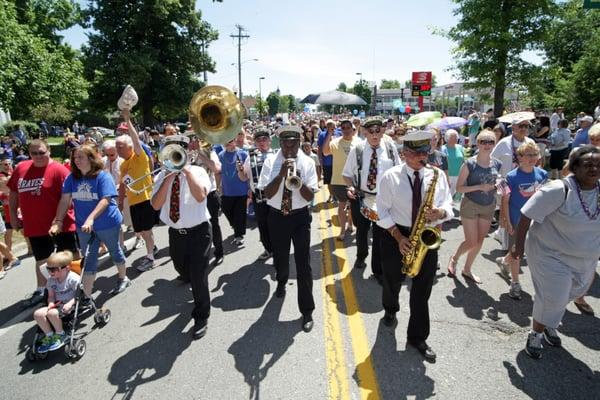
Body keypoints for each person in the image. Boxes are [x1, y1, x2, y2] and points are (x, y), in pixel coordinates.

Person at [512, 146, 600, 359]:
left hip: (586, 258)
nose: (594, 169)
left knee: (570, 293)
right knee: (555, 295)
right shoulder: (558, 190)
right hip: (549, 253)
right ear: (574, 167)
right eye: (588, 164)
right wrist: (518, 246)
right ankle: (536, 333)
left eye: (598, 165)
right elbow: (526, 216)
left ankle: (549, 320)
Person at [376, 130, 453, 361]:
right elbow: (381, 211)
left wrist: (440, 212)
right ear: (405, 154)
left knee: (422, 288)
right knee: (391, 280)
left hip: (426, 234)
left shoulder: (436, 175)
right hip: (395, 234)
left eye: (426, 152)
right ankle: (390, 309)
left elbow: (449, 203)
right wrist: (399, 238)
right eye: (418, 153)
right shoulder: (390, 177)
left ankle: (418, 336)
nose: (424, 157)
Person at [257, 126, 319, 333]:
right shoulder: (270, 161)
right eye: (285, 143)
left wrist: (298, 181)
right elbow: (266, 192)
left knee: (304, 264)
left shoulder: (308, 162)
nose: (289, 147)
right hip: (276, 217)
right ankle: (281, 281)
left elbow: (310, 197)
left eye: (293, 143)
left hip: (300, 217)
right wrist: (281, 175)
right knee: (281, 258)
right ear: (280, 143)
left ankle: (307, 310)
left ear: (299, 142)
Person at [151, 135, 213, 340]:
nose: (174, 155)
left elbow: (201, 196)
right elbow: (156, 205)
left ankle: (201, 316)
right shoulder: (162, 175)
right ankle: (187, 276)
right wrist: (169, 176)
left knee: (199, 276)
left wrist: (185, 170)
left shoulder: (198, 171)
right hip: (176, 233)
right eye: (170, 151)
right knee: (181, 267)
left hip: (199, 232)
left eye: (178, 151)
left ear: (187, 151)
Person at [8, 139, 78, 307]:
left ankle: (76, 286)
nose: (38, 156)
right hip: (34, 224)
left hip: (61, 223)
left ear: (49, 152)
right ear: (29, 153)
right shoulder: (21, 169)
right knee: (41, 259)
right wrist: (12, 216)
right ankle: (42, 290)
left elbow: (68, 198)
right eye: (34, 153)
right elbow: (13, 194)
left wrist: (58, 220)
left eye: (42, 152)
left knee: (68, 256)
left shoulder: (59, 170)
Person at [51, 145, 129, 296]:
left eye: (81, 157)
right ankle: (87, 295)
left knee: (114, 250)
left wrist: (91, 219)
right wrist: (58, 221)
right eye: (75, 158)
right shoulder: (71, 178)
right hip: (84, 226)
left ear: (91, 158)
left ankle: (122, 277)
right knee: (89, 258)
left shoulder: (103, 176)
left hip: (107, 222)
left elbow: (105, 200)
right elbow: (64, 200)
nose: (77, 160)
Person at [342, 117, 400, 284]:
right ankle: (361, 256)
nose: (375, 135)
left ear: (382, 131)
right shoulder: (357, 149)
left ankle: (378, 270)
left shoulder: (390, 148)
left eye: (378, 130)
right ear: (364, 132)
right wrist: (351, 187)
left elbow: (398, 171)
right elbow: (346, 175)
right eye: (371, 131)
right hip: (361, 197)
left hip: (384, 199)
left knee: (380, 234)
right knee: (361, 231)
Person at [447, 130, 501, 283]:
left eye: (490, 141)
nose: (487, 145)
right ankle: (455, 258)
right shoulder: (469, 163)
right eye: (483, 141)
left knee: (480, 240)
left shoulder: (497, 163)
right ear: (478, 143)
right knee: (471, 241)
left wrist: (501, 187)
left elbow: (499, 183)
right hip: (470, 204)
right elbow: (459, 188)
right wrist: (479, 186)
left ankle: (467, 269)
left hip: (488, 205)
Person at [496, 142, 547, 299]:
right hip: (517, 218)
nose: (532, 158)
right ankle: (515, 283)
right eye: (528, 155)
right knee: (517, 251)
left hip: (536, 219)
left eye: (535, 155)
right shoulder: (511, 176)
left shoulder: (543, 174)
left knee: (528, 250)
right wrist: (506, 220)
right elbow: (505, 200)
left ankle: (504, 261)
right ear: (520, 157)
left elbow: (546, 197)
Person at [117, 110, 157, 272]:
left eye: (120, 147)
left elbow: (135, 139)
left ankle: (150, 258)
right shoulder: (123, 164)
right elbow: (124, 185)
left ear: (130, 147)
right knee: (140, 231)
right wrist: (120, 201)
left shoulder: (139, 156)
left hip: (145, 199)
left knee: (147, 231)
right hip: (133, 202)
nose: (117, 150)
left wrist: (127, 119)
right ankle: (151, 248)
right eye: (116, 147)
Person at [32, 250, 79, 353]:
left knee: (52, 313)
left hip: (71, 305)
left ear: (66, 268)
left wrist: (70, 303)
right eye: (48, 269)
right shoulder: (51, 280)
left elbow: (78, 295)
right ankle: (50, 335)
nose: (50, 272)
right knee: (38, 314)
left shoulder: (73, 279)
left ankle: (60, 334)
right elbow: (51, 296)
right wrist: (51, 303)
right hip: (57, 304)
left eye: (54, 269)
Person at [322, 119, 361, 240]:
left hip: (354, 181)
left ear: (352, 128)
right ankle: (342, 230)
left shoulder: (359, 142)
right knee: (342, 205)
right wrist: (329, 133)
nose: (346, 130)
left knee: (352, 206)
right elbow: (325, 151)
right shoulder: (335, 142)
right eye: (343, 128)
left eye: (348, 127)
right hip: (338, 180)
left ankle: (350, 224)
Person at [240, 128, 275, 260]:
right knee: (263, 224)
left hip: (274, 196)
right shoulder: (251, 158)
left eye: (264, 139)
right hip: (258, 197)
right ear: (254, 142)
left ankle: (279, 249)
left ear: (270, 141)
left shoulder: (276, 155)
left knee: (276, 224)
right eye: (258, 140)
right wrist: (240, 170)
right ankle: (268, 249)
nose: (261, 142)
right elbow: (244, 178)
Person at [191, 137, 224, 265]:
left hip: (209, 194)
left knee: (213, 225)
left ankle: (219, 252)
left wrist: (199, 153)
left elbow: (216, 169)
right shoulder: (184, 153)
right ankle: (199, 256)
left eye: (195, 138)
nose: (193, 141)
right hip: (193, 196)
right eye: (191, 139)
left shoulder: (210, 151)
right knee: (196, 227)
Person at [218, 137, 249, 246]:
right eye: (226, 140)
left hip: (241, 190)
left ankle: (239, 235)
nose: (227, 143)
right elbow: (219, 172)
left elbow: (247, 173)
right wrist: (219, 187)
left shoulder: (243, 154)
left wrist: (249, 189)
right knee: (226, 209)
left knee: (239, 214)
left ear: (235, 141)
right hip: (227, 190)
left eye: (230, 140)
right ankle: (235, 225)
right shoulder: (221, 155)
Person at [317, 120, 338, 202]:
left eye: (333, 126)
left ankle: (336, 195)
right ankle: (331, 194)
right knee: (329, 181)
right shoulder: (322, 135)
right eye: (330, 126)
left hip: (338, 162)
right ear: (327, 126)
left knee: (337, 180)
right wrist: (320, 160)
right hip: (327, 162)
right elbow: (319, 149)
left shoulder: (338, 133)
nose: (332, 128)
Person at [441, 129, 465, 198]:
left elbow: (463, 161)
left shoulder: (460, 147)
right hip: (448, 176)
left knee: (456, 196)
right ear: (447, 138)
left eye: (456, 137)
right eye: (452, 137)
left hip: (459, 176)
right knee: (447, 195)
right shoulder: (443, 149)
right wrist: (447, 178)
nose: (454, 139)